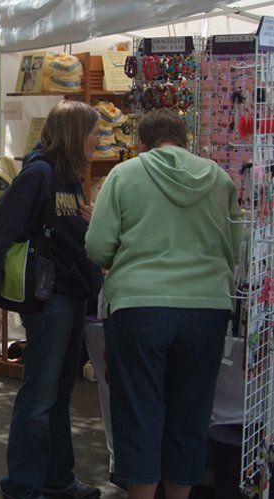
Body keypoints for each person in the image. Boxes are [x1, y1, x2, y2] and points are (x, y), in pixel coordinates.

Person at [85, 109, 241, 499]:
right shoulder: (219, 179)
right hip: (206, 307)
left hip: (139, 306)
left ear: (143, 142)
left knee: (139, 410)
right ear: (184, 140)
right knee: (191, 413)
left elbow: (98, 245)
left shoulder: (124, 175)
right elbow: (235, 248)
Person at [0, 100, 101, 499]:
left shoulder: (68, 176)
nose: (98, 140)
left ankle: (57, 479)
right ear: (73, 134)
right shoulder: (39, 173)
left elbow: (65, 237)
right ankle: (22, 487)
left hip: (71, 297)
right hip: (50, 302)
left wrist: (89, 223)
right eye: (93, 132)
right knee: (39, 396)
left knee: (58, 395)